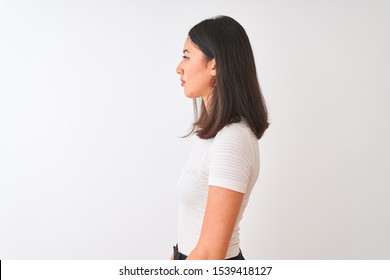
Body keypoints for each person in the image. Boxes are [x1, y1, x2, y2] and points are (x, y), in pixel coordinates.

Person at [172, 15, 269, 260]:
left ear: (214, 65)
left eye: (186, 56)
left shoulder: (232, 140)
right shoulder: (215, 134)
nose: (178, 67)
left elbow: (210, 255)